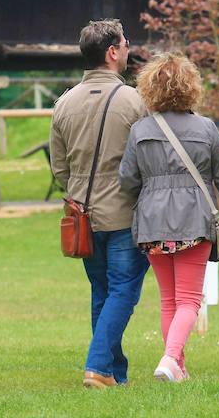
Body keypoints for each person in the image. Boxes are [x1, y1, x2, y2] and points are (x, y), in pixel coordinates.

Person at [118, 53, 219, 383]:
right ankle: (168, 359)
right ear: (191, 86)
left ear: (149, 88)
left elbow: (127, 181)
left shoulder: (140, 130)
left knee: (169, 300)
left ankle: (179, 366)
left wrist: (151, 196)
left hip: (151, 225)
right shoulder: (206, 128)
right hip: (194, 222)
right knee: (190, 299)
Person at [49, 19, 148, 389]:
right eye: (125, 44)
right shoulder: (135, 101)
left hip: (80, 215)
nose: (127, 49)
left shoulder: (64, 103)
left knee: (102, 292)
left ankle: (112, 372)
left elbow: (60, 167)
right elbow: (146, 161)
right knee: (124, 290)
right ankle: (96, 366)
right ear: (111, 52)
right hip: (123, 214)